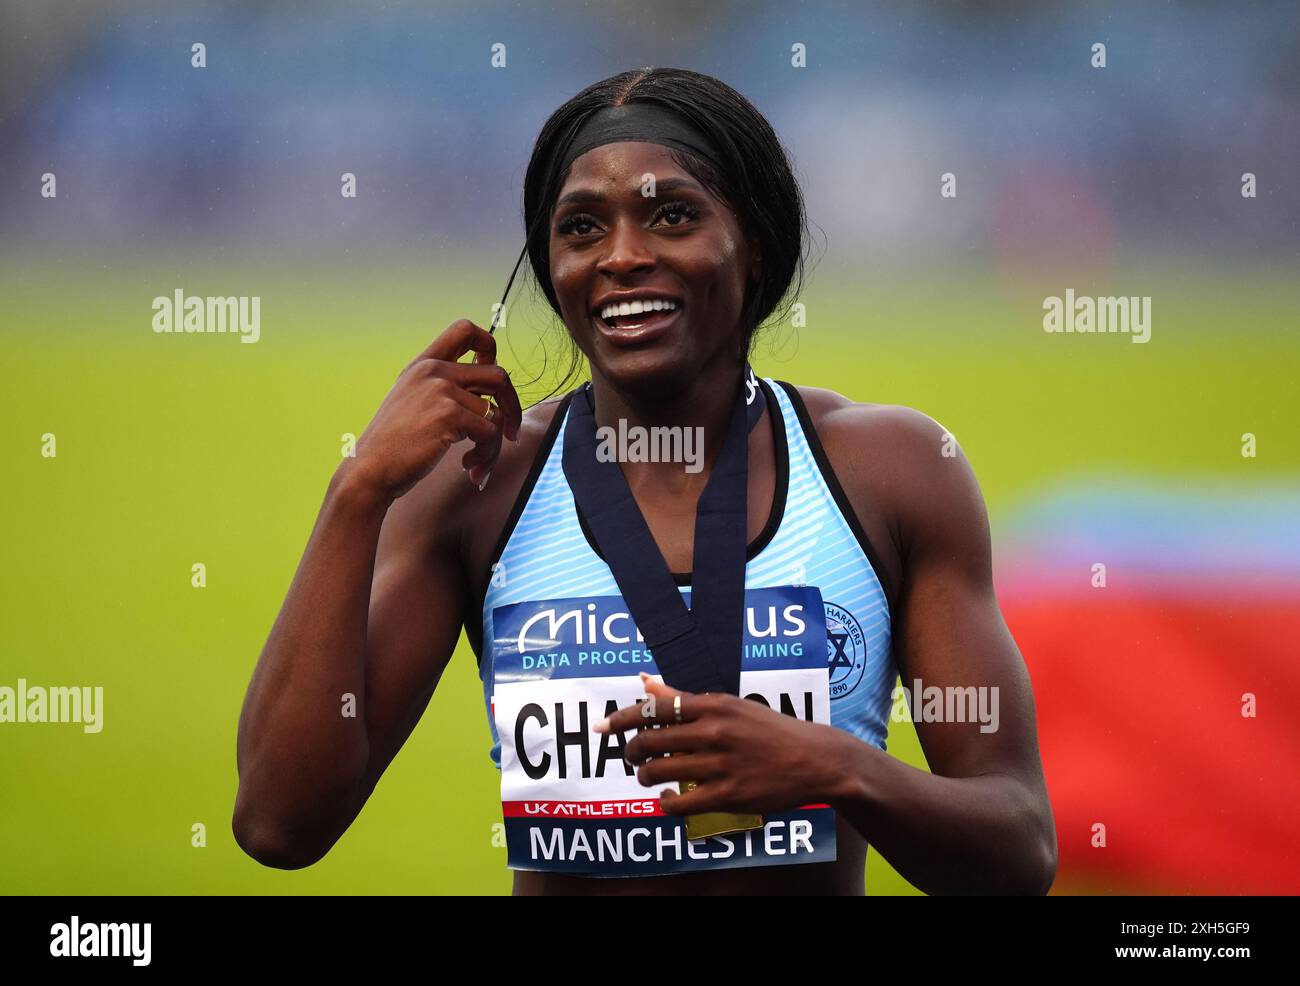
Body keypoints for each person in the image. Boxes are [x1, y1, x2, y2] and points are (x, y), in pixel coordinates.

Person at [233, 66, 1057, 895]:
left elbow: (1018, 850)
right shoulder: (480, 487)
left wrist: (836, 767)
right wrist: (357, 495)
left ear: (756, 243)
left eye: (672, 215)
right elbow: (278, 822)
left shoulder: (892, 474)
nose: (623, 255)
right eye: (582, 227)